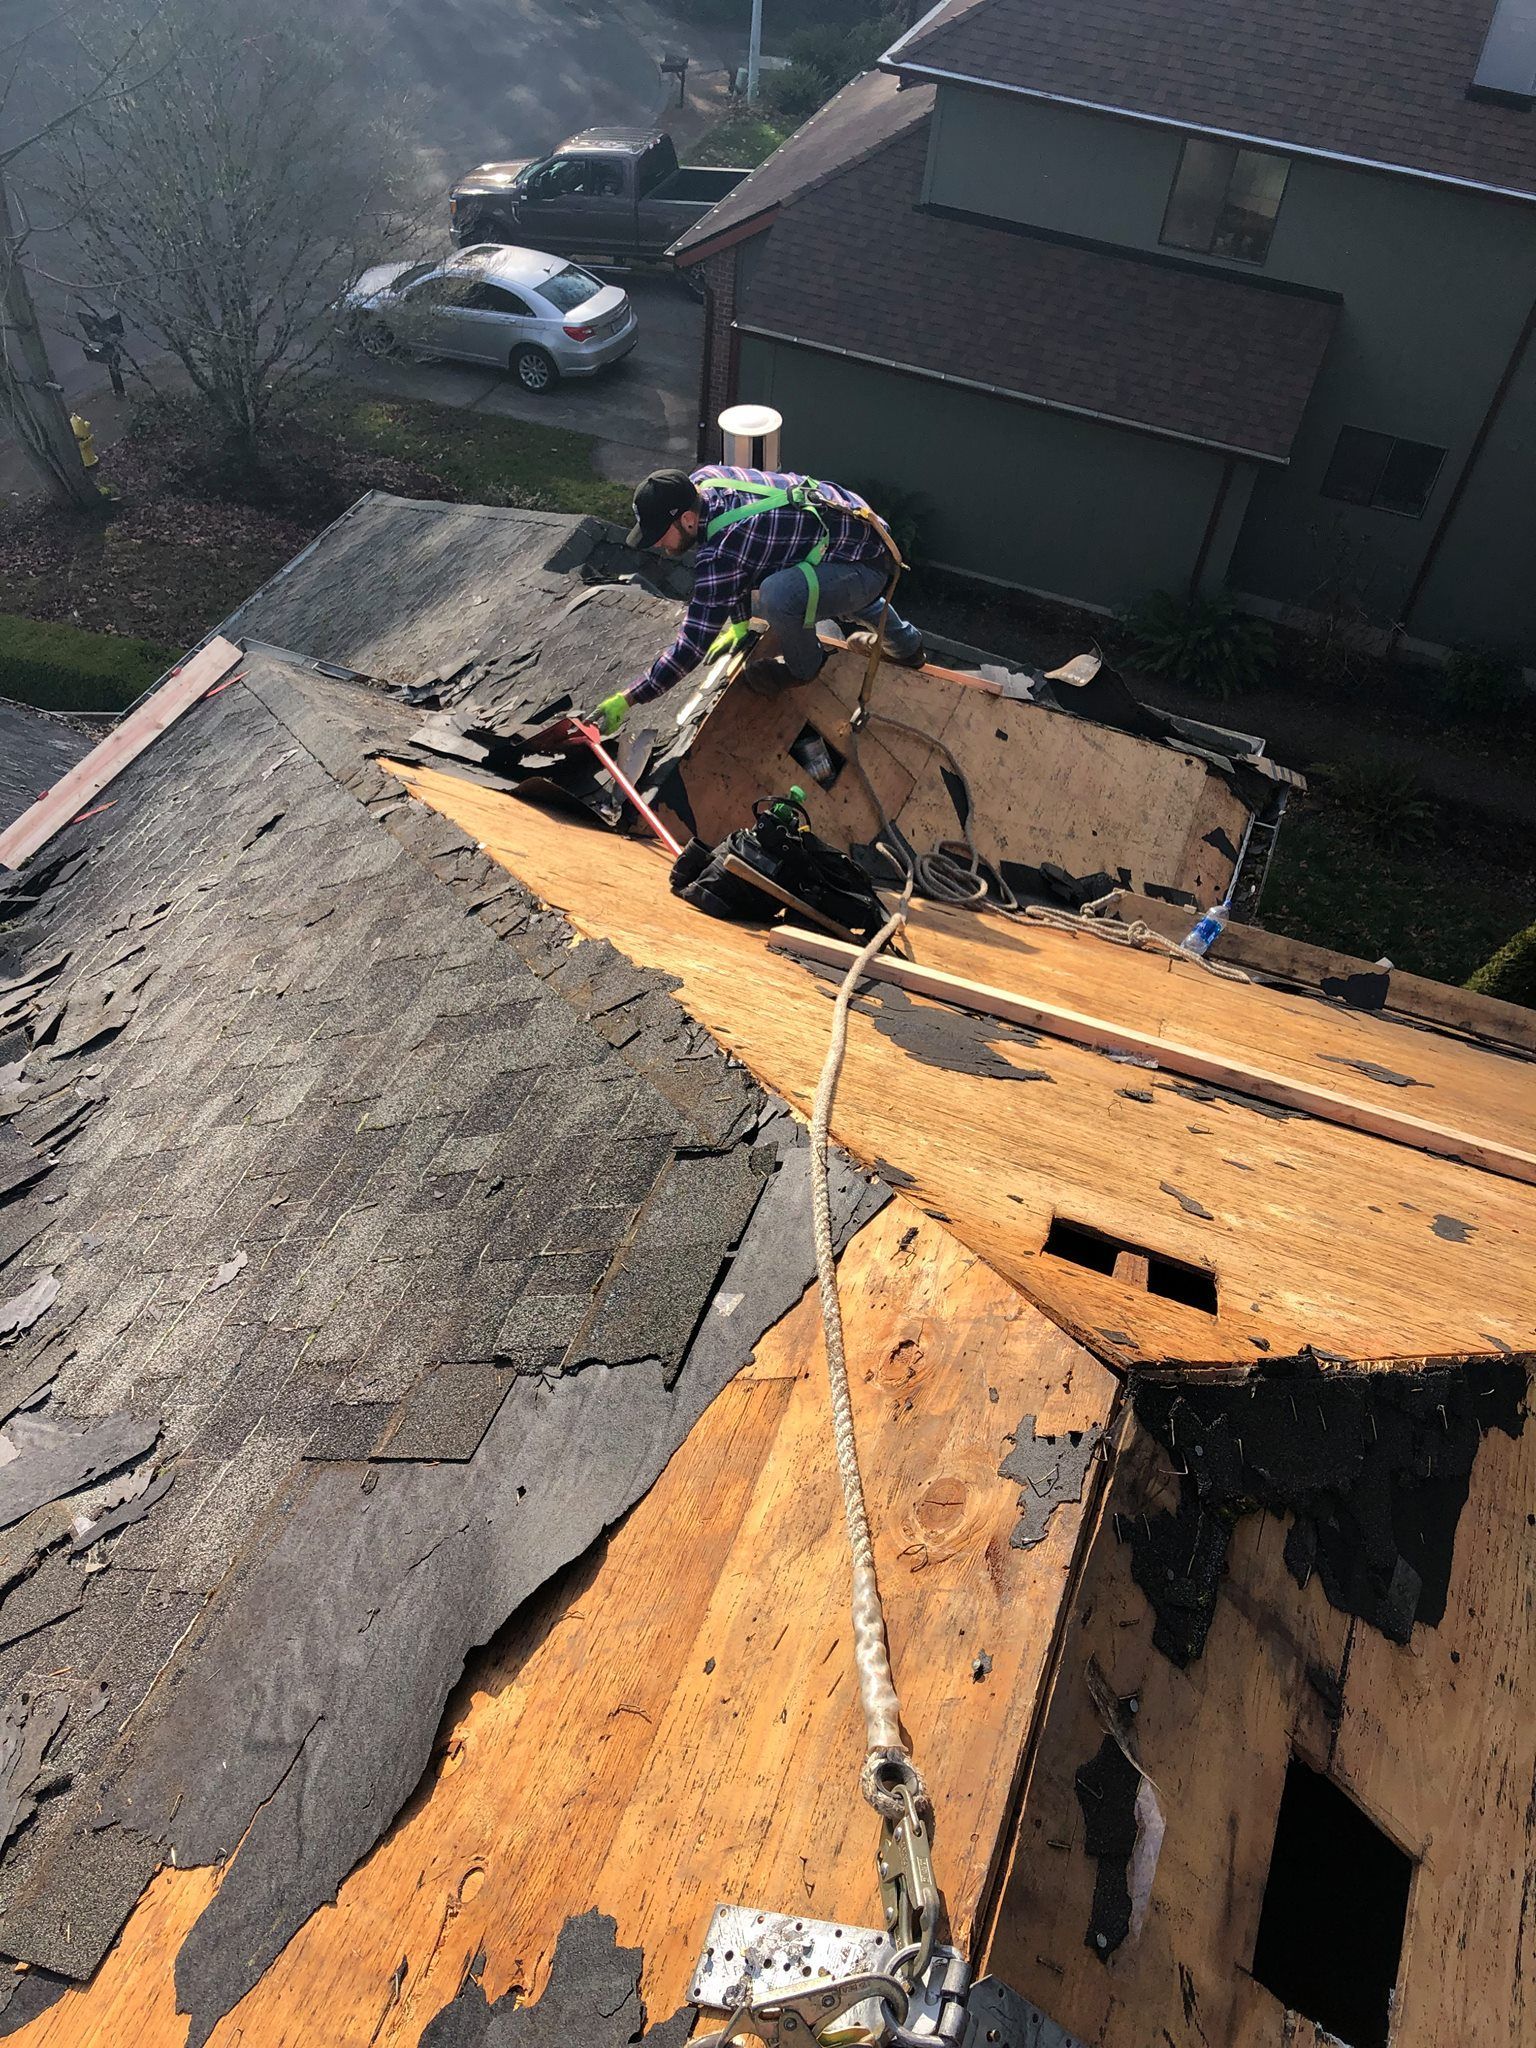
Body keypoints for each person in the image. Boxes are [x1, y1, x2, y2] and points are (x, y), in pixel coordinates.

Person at [593, 465, 926, 735]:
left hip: (866, 567)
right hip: (857, 536)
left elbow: (691, 645)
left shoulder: (722, 552)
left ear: (688, 521)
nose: (657, 545)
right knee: (804, 583)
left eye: (659, 535)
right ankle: (908, 644)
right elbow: (746, 564)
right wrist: (739, 628)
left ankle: (804, 666)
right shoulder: (704, 481)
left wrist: (629, 699)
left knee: (778, 596)